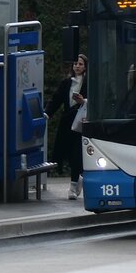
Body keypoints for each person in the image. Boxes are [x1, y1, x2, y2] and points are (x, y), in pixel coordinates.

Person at [46, 53, 88, 199]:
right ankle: (78, 180)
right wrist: (47, 113)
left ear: (85, 67)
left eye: (80, 64)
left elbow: (97, 100)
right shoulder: (66, 83)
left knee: (77, 154)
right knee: (69, 154)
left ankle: (73, 186)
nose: (77, 66)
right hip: (67, 122)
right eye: (75, 63)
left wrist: (84, 101)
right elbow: (56, 99)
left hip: (82, 123)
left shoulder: (89, 82)